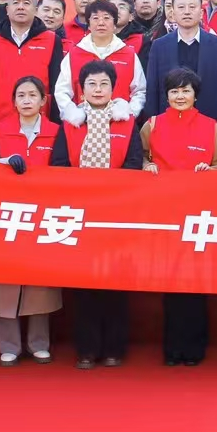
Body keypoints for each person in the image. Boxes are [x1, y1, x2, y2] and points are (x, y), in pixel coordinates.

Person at [51, 61, 145, 367]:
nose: (98, 89)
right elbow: (59, 165)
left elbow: (134, 163)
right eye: (91, 84)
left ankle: (115, 348)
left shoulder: (126, 122)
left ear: (113, 88)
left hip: (117, 214)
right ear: (81, 89)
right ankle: (87, 349)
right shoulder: (70, 123)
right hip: (79, 215)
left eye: (104, 84)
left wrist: (110, 195)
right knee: (84, 285)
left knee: (115, 284)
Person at [141, 68, 217, 365]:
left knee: (195, 285)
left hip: (199, 218)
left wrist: (210, 171)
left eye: (186, 90)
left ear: (195, 95)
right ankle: (172, 347)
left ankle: (195, 348)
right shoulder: (152, 125)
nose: (180, 96)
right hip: (163, 216)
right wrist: (146, 167)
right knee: (170, 285)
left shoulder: (211, 127)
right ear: (166, 95)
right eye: (174, 91)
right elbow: (139, 160)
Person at [0, 76, 61, 365]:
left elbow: (63, 168)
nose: (26, 100)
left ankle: (39, 343)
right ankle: (9, 345)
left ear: (43, 101)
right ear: (13, 101)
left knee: (40, 280)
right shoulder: (0, 130)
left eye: (32, 95)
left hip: (43, 214)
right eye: (21, 95)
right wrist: (5, 163)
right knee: (4, 281)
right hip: (7, 214)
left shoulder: (56, 132)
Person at [144, 0, 217, 122]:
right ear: (173, 13)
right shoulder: (159, 46)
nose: (187, 12)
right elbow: (152, 90)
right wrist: (153, 123)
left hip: (208, 121)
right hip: (168, 121)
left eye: (192, 7)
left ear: (201, 13)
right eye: (181, 7)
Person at [55, 0, 146, 126]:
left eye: (106, 18)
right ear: (88, 24)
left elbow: (140, 91)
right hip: (83, 125)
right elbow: (62, 91)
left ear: (115, 23)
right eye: (95, 18)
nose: (101, 23)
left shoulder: (128, 54)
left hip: (119, 125)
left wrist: (129, 113)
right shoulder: (74, 54)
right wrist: (74, 115)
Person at [0, 0, 61, 121]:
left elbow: (56, 85)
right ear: (7, 9)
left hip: (40, 121)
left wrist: (55, 123)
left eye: (26, 3)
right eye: (15, 2)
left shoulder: (52, 40)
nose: (20, 7)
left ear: (35, 10)